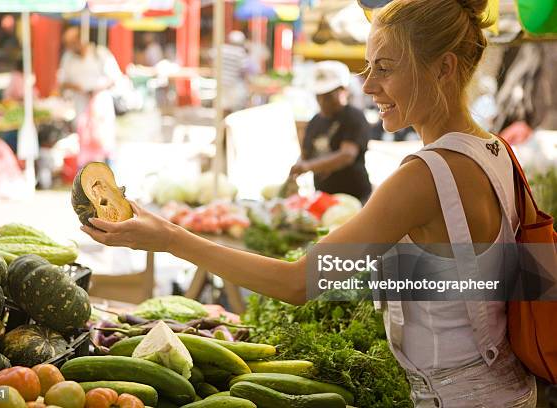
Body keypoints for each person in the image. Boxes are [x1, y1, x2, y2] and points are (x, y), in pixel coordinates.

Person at [81, 0, 539, 406]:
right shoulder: (494, 150)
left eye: (385, 68)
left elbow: (300, 283)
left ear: (443, 67)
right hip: (506, 387)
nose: (367, 86)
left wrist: (171, 239)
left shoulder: (423, 178)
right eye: (367, 67)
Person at [290, 60, 372, 203]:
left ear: (343, 91)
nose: (322, 101)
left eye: (328, 96)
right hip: (323, 197)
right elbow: (305, 154)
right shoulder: (315, 121)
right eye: (318, 96)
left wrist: (308, 167)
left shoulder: (353, 117)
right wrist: (296, 171)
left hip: (354, 197)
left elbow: (347, 155)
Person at [58, 26, 121, 166]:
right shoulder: (68, 58)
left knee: (105, 145)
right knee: (85, 147)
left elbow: (115, 78)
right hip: (81, 108)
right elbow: (62, 82)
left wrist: (96, 89)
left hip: (101, 108)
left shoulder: (100, 54)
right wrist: (77, 87)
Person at [221, 30, 252, 114]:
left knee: (223, 105)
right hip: (234, 83)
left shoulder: (222, 49)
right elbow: (244, 70)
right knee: (235, 106)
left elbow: (210, 56)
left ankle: (222, 123)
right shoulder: (240, 52)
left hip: (221, 81)